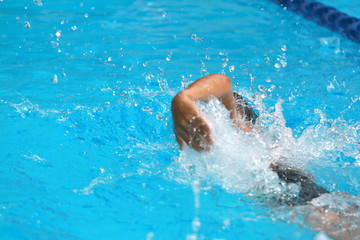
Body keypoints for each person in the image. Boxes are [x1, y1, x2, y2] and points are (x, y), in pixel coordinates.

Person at [171, 73, 359, 239]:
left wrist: (185, 98)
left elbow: (223, 82)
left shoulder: (243, 129)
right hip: (285, 195)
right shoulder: (208, 144)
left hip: (289, 184)